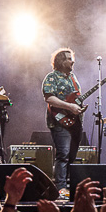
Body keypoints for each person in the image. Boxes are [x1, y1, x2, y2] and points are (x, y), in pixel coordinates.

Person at [43, 48, 83, 197]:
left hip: (75, 122)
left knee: (72, 155)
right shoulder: (51, 77)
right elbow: (49, 98)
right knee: (63, 154)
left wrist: (78, 106)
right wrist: (69, 106)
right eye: (68, 58)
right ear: (60, 61)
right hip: (59, 121)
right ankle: (59, 187)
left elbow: (75, 97)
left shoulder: (73, 77)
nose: (72, 61)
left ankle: (68, 186)